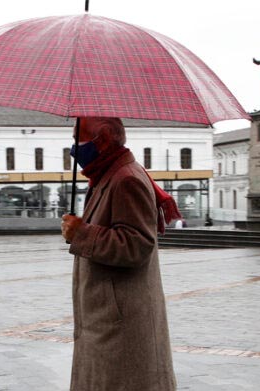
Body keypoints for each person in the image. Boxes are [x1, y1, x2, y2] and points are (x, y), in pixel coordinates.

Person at [61, 117, 180, 391]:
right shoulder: (108, 175)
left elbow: (136, 244)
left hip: (120, 324)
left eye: (78, 138)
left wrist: (81, 233)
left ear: (101, 139)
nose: (74, 147)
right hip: (108, 317)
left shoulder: (126, 179)